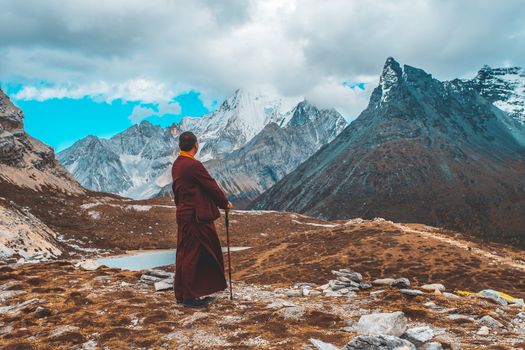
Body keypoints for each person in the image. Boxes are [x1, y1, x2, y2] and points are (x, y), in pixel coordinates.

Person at [171, 131, 233, 308]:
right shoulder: (193, 165)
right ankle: (190, 296)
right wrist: (224, 203)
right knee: (193, 253)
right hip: (195, 217)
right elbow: (211, 185)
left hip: (184, 214)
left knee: (184, 252)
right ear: (196, 146)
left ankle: (182, 293)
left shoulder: (177, 164)